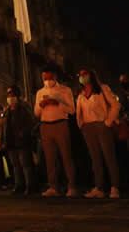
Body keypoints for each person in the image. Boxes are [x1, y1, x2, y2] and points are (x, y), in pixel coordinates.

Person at [75, 69, 121, 199]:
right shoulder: (81, 93)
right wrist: (81, 124)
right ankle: (99, 187)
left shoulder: (102, 89)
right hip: (88, 128)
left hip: (102, 125)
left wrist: (108, 122)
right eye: (80, 75)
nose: (82, 77)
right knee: (95, 158)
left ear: (91, 75)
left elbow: (115, 105)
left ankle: (115, 186)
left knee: (108, 156)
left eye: (85, 74)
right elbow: (79, 111)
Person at [34, 64, 77, 197]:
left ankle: (72, 186)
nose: (47, 80)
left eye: (49, 77)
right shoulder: (40, 92)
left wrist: (57, 102)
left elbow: (71, 110)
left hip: (61, 124)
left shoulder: (65, 90)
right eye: (44, 78)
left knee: (66, 156)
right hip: (45, 125)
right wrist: (41, 106)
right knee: (50, 158)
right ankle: (53, 186)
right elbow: (36, 113)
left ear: (55, 77)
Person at [0, 85, 36, 195]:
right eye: (8, 94)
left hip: (22, 140)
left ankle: (30, 186)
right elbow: (4, 127)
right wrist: (2, 141)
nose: (10, 96)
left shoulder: (24, 107)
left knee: (25, 164)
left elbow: (31, 122)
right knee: (15, 165)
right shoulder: (7, 110)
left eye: (12, 94)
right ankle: (19, 185)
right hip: (11, 141)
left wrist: (23, 133)